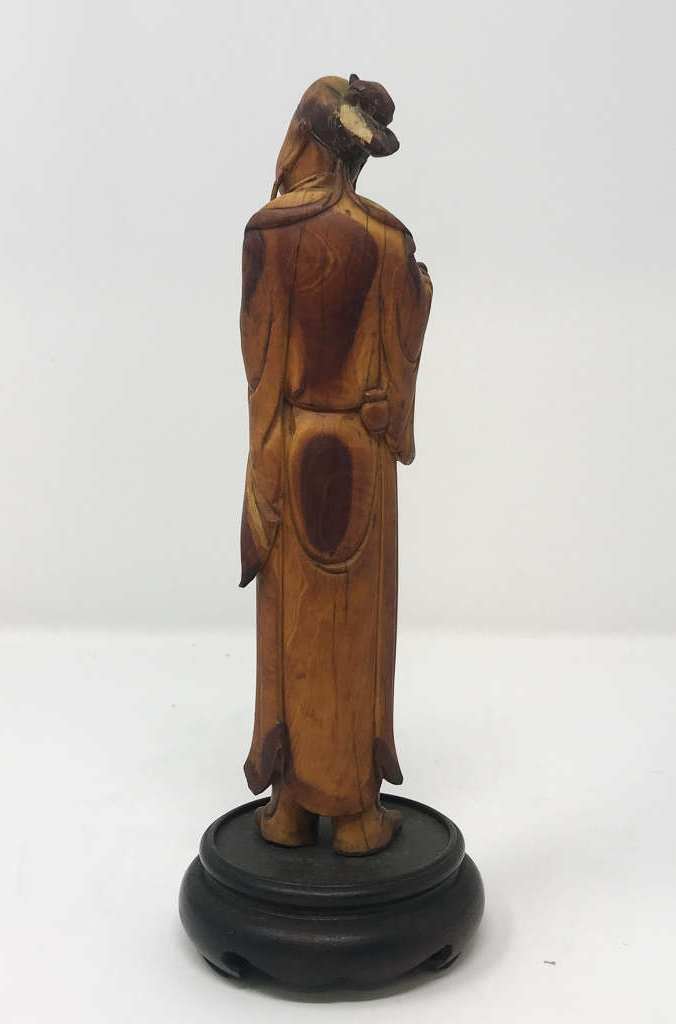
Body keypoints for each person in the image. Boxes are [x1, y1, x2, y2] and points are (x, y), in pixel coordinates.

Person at [239, 75, 432, 855]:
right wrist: (419, 293)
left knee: (296, 624)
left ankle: (291, 809)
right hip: (362, 446)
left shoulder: (269, 233)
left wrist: (260, 461)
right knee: (353, 630)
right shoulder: (386, 239)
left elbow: (260, 363)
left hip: (291, 444)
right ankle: (353, 814)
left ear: (305, 137)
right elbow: (400, 346)